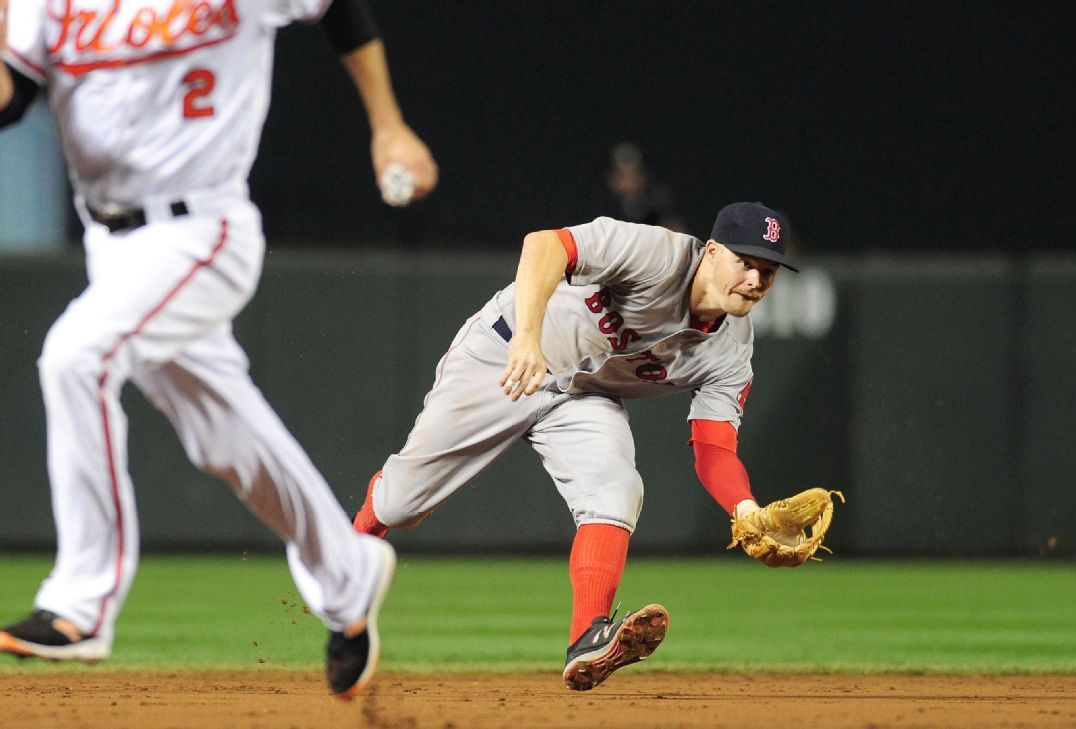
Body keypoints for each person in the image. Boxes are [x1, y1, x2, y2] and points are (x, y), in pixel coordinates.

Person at [0, 0, 437, 700]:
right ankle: (348, 573)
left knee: (76, 355)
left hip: (202, 228)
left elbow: (341, 10)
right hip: (109, 244)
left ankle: (81, 604)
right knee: (225, 437)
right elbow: (10, 99)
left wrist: (388, 124)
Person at [352, 201, 797, 690]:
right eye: (746, 263)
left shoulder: (732, 350)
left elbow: (713, 447)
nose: (755, 280)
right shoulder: (657, 254)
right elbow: (544, 244)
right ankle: (346, 563)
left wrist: (745, 509)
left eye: (768, 271)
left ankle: (589, 637)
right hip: (504, 358)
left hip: (582, 396)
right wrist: (527, 336)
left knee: (616, 491)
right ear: (711, 252)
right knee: (400, 503)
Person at [600, 142, 686, 231]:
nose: (630, 182)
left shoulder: (658, 204)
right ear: (612, 179)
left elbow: (677, 234)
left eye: (635, 174)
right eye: (623, 176)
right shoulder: (603, 210)